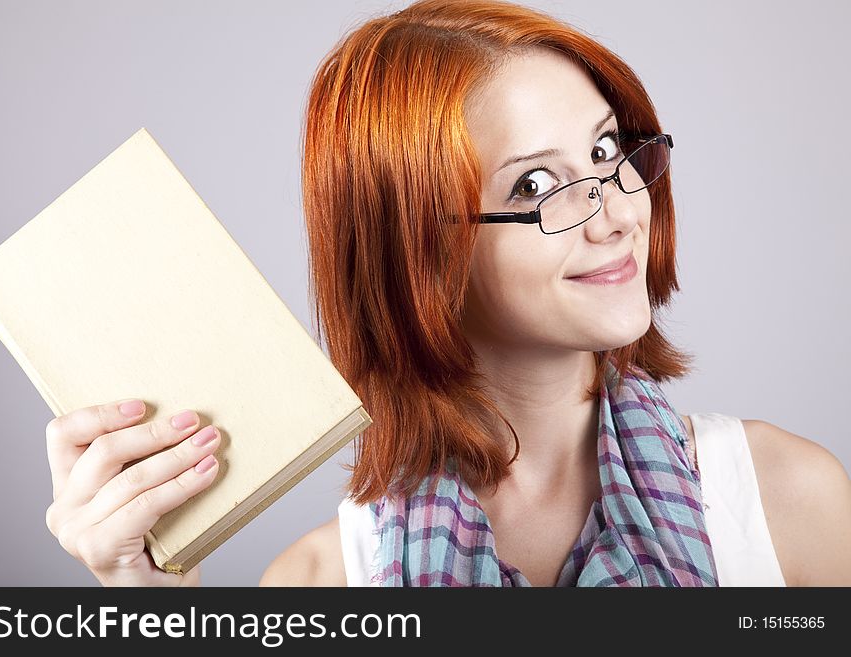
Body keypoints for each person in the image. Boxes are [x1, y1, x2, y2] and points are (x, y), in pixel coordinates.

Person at [43, 0, 851, 587]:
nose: (615, 214)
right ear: (419, 244)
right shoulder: (322, 581)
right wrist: (147, 603)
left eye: (608, 147)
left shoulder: (789, 498)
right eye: (539, 182)